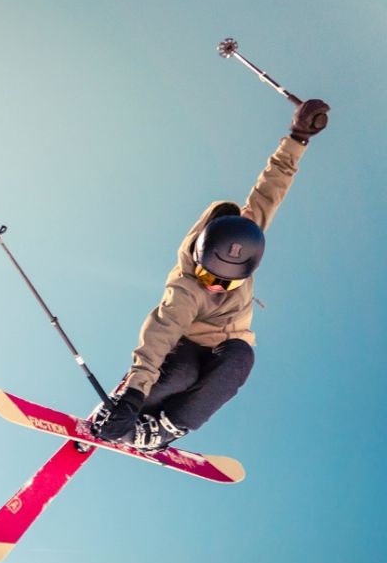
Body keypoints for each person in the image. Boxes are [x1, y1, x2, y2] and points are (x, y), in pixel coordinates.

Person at [92, 98, 330, 452]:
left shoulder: (248, 233)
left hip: (227, 346)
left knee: (240, 360)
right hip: (185, 344)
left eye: (227, 282)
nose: (216, 286)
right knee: (180, 375)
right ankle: (127, 412)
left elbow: (271, 188)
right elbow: (161, 332)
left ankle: (164, 429)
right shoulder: (187, 285)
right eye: (210, 276)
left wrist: (298, 136)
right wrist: (132, 395)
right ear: (201, 257)